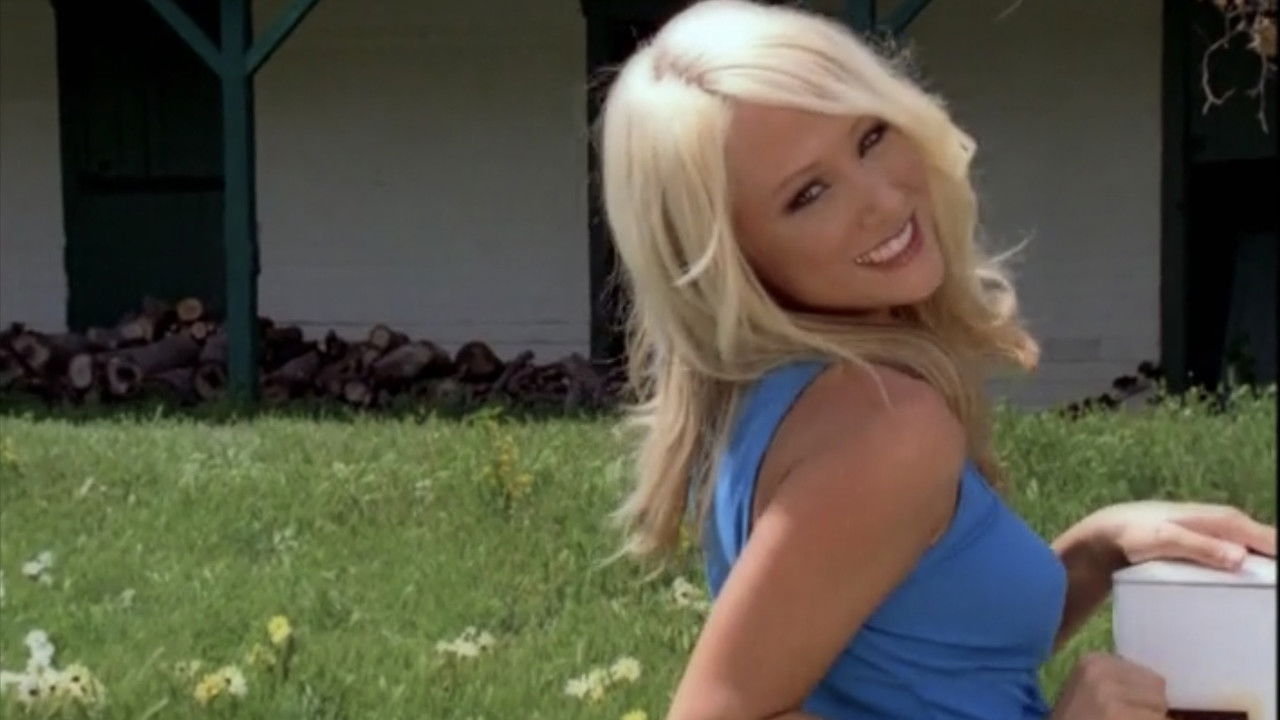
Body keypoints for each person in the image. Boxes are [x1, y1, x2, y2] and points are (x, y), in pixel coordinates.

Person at [595, 2, 1278, 719]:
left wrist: (1094, 550)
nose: (883, 197)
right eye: (809, 194)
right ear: (731, 259)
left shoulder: (778, 399)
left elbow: (920, 660)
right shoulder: (886, 427)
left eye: (870, 136)